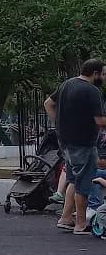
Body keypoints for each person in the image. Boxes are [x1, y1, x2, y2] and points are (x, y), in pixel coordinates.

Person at [44, 58, 106, 234]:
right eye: (102, 74)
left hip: (66, 142)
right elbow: (100, 120)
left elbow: (48, 103)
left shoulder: (67, 84)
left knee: (74, 178)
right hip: (84, 143)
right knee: (84, 184)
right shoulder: (92, 91)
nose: (103, 77)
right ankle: (80, 224)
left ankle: (65, 218)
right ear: (94, 74)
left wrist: (60, 124)